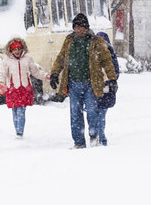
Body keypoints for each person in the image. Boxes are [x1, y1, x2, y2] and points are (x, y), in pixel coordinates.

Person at [49, 13, 118, 149]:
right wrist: (55, 73)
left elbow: (107, 61)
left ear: (87, 28)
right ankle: (79, 142)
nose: (78, 30)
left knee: (92, 111)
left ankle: (94, 136)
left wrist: (112, 79)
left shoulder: (97, 42)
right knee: (75, 114)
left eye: (81, 27)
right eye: (76, 27)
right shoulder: (69, 41)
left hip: (91, 84)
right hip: (73, 83)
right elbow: (61, 58)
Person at [0, 37, 49, 137]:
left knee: (21, 110)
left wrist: (46, 76)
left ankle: (19, 132)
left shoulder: (28, 59)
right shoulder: (6, 60)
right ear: (11, 50)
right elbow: (2, 73)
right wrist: (0, 83)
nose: (17, 51)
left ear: (22, 49)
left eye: (19, 49)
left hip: (24, 88)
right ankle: (17, 130)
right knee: (15, 110)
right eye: (15, 49)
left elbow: (36, 72)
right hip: (13, 88)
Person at [95, 31, 120, 146]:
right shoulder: (109, 54)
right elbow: (116, 72)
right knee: (99, 114)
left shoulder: (106, 54)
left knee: (99, 114)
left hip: (105, 89)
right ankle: (100, 135)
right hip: (101, 89)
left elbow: (115, 73)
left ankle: (99, 136)